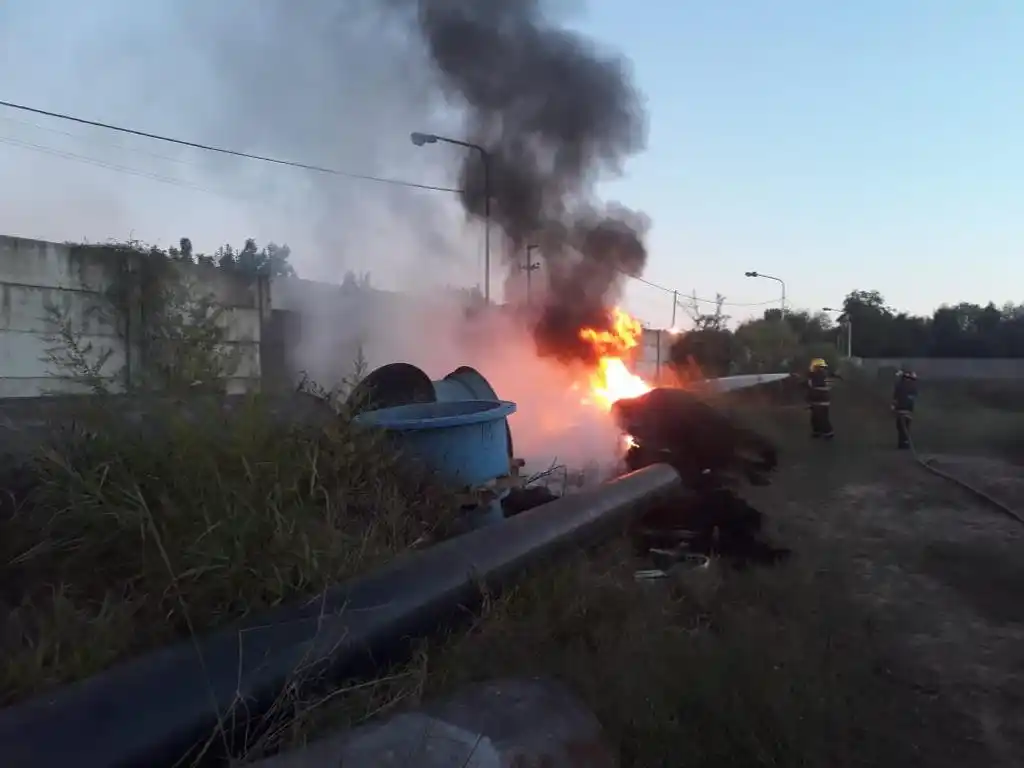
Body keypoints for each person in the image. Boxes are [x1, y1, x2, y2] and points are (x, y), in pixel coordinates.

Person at [806, 358, 835, 439]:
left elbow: (813, 385)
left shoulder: (819, 375)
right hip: (817, 400)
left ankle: (828, 433)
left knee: (822, 418)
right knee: (815, 418)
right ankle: (817, 431)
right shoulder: (821, 375)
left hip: (820, 400)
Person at [893, 368, 918, 449]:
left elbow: (895, 398)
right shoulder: (907, 386)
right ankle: (903, 443)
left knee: (903, 427)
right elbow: (895, 397)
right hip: (903, 410)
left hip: (904, 410)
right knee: (902, 427)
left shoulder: (907, 387)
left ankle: (904, 443)